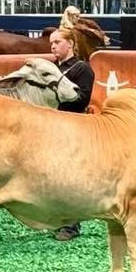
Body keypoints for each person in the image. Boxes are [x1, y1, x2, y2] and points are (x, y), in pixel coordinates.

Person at [49, 27, 95, 241]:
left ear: (71, 44)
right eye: (51, 43)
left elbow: (82, 100)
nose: (53, 46)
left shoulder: (81, 68)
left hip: (73, 128)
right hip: (52, 128)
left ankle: (71, 225)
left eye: (57, 42)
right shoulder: (50, 68)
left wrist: (56, 96)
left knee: (69, 178)